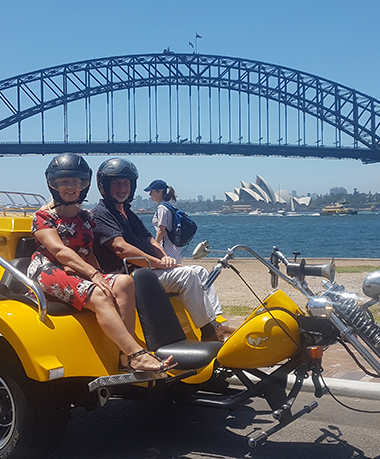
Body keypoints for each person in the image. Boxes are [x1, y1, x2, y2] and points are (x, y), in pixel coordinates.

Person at [26, 153, 174, 372]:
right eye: (63, 182)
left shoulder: (86, 217)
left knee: (123, 282)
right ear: (53, 184)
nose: (70, 187)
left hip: (80, 270)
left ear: (84, 186)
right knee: (100, 294)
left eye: (77, 182)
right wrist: (94, 275)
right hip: (49, 270)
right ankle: (136, 354)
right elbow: (59, 251)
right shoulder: (43, 217)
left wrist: (102, 274)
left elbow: (89, 251)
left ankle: (125, 354)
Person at [91, 158, 233, 341]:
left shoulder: (127, 212)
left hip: (146, 271)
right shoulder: (101, 214)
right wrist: (158, 263)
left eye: (125, 183)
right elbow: (121, 248)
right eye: (116, 183)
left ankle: (218, 324)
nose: (122, 188)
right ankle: (208, 332)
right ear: (104, 186)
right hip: (129, 276)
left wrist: (166, 258)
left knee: (200, 271)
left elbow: (149, 240)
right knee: (188, 276)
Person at [144, 179, 182, 264]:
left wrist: (154, 246)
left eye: (151, 191)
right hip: (174, 249)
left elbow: (161, 230)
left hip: (166, 250)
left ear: (160, 191)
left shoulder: (162, 208)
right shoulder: (168, 206)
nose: (149, 194)